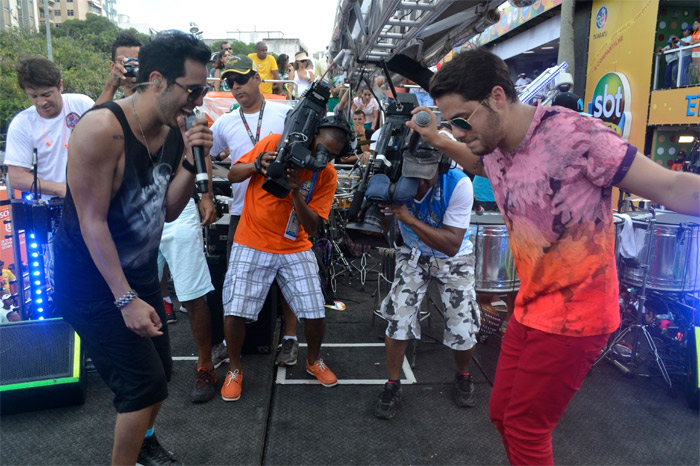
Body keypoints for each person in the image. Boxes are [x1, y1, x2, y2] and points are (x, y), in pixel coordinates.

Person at [408, 47, 700, 466]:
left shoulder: (579, 137)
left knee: (527, 427)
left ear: (497, 97)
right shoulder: (491, 142)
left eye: (461, 119)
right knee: (501, 415)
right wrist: (437, 137)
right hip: (531, 307)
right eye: (450, 122)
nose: (458, 131)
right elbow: (479, 162)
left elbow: (669, 186)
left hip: (576, 316)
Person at [52, 30, 213, 465]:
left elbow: (169, 208)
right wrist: (125, 299)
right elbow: (92, 220)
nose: (197, 100)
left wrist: (192, 159)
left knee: (160, 375)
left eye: (203, 90)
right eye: (192, 90)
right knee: (141, 386)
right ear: (157, 79)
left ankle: (143, 443)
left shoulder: (173, 130)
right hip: (90, 280)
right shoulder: (103, 128)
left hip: (137, 272)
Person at [220, 116, 352, 401]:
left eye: (330, 154)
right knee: (234, 310)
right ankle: (234, 369)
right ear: (311, 135)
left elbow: (314, 226)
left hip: (295, 245)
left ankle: (313, 360)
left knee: (315, 310)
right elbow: (232, 174)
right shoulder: (274, 142)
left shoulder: (327, 173)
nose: (323, 157)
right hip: (252, 240)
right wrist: (257, 165)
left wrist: (295, 193)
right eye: (322, 148)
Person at [373, 145, 479, 419]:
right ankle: (393, 383)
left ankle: (464, 375)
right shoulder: (396, 180)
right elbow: (381, 229)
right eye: (414, 175)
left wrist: (407, 218)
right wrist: (382, 207)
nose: (419, 183)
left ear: (440, 168)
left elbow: (452, 244)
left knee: (462, 323)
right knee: (398, 318)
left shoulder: (459, 184)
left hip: (453, 256)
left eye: (426, 176)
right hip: (413, 253)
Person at [210, 56, 298, 367]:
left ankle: (289, 339)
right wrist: (207, 194)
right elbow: (207, 157)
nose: (235, 87)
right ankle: (226, 341)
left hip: (283, 208)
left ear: (257, 78)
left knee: (288, 279)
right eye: (229, 83)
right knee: (234, 280)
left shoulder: (284, 112)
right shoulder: (223, 122)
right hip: (243, 212)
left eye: (242, 80)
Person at [5, 57, 95, 200]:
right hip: (51, 206)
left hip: (91, 199)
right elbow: (16, 177)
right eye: (33, 96)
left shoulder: (82, 104)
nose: (41, 102)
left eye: (46, 94)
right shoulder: (21, 124)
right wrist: (61, 189)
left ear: (60, 85)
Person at [95, 32, 142, 105]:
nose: (133, 69)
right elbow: (95, 116)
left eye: (137, 61)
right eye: (127, 64)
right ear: (113, 66)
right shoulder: (116, 108)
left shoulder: (156, 102)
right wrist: (111, 85)